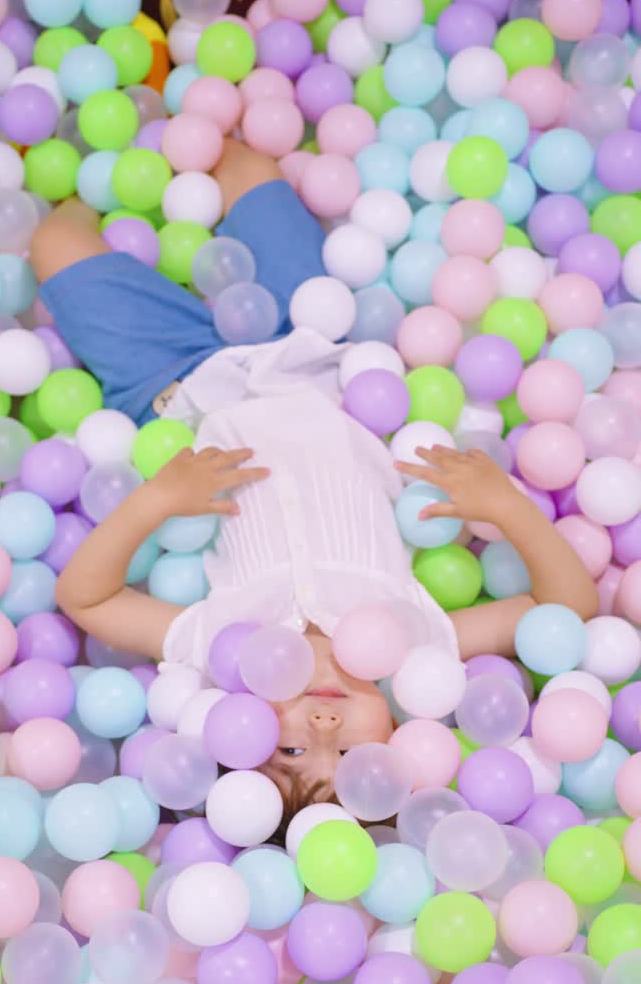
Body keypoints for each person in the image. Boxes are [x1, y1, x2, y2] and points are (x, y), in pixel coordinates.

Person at [30, 140, 598, 814]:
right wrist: (507, 508)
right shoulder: (419, 640)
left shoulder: (218, 646)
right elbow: (564, 611)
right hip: (310, 347)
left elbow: (86, 600)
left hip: (179, 388)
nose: (325, 729)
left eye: (292, 753)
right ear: (399, 735)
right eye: (353, 756)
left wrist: (159, 499)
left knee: (53, 242)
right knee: (247, 170)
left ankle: (118, 153)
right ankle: (191, 119)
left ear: (238, 729)